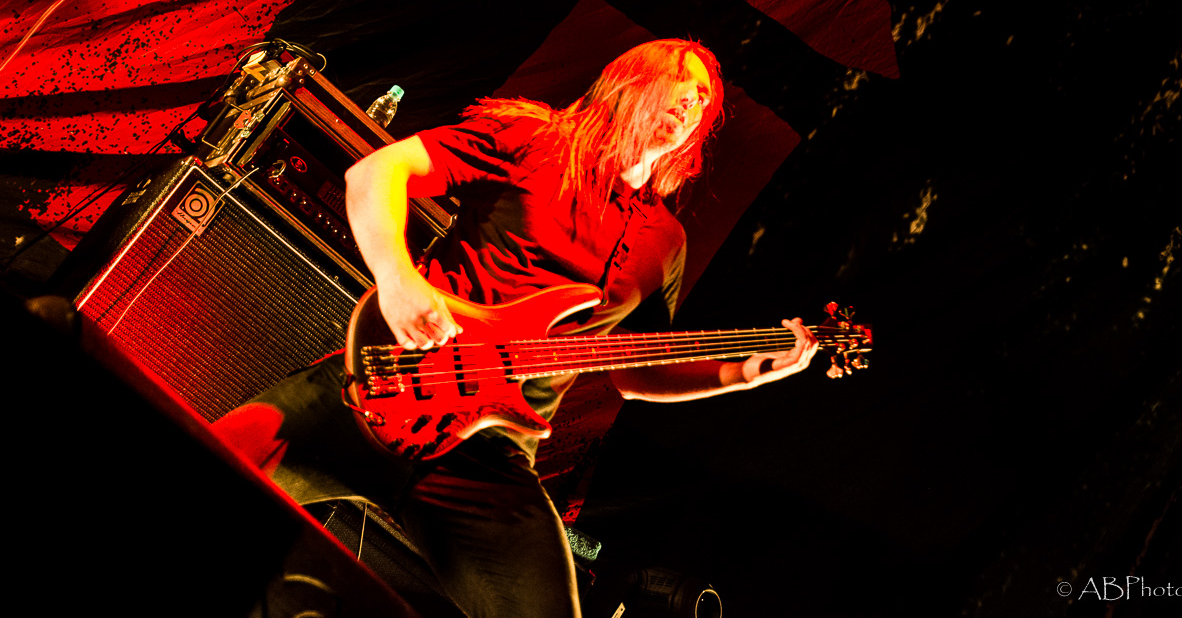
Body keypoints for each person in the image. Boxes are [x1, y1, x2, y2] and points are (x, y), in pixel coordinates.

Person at [216, 39, 819, 618]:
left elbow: (635, 374)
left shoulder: (665, 241)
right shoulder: (531, 138)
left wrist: (746, 372)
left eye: (703, 102)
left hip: (487, 453)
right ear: (629, 84)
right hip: (379, 382)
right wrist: (397, 279)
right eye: (678, 84)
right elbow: (376, 174)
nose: (690, 105)